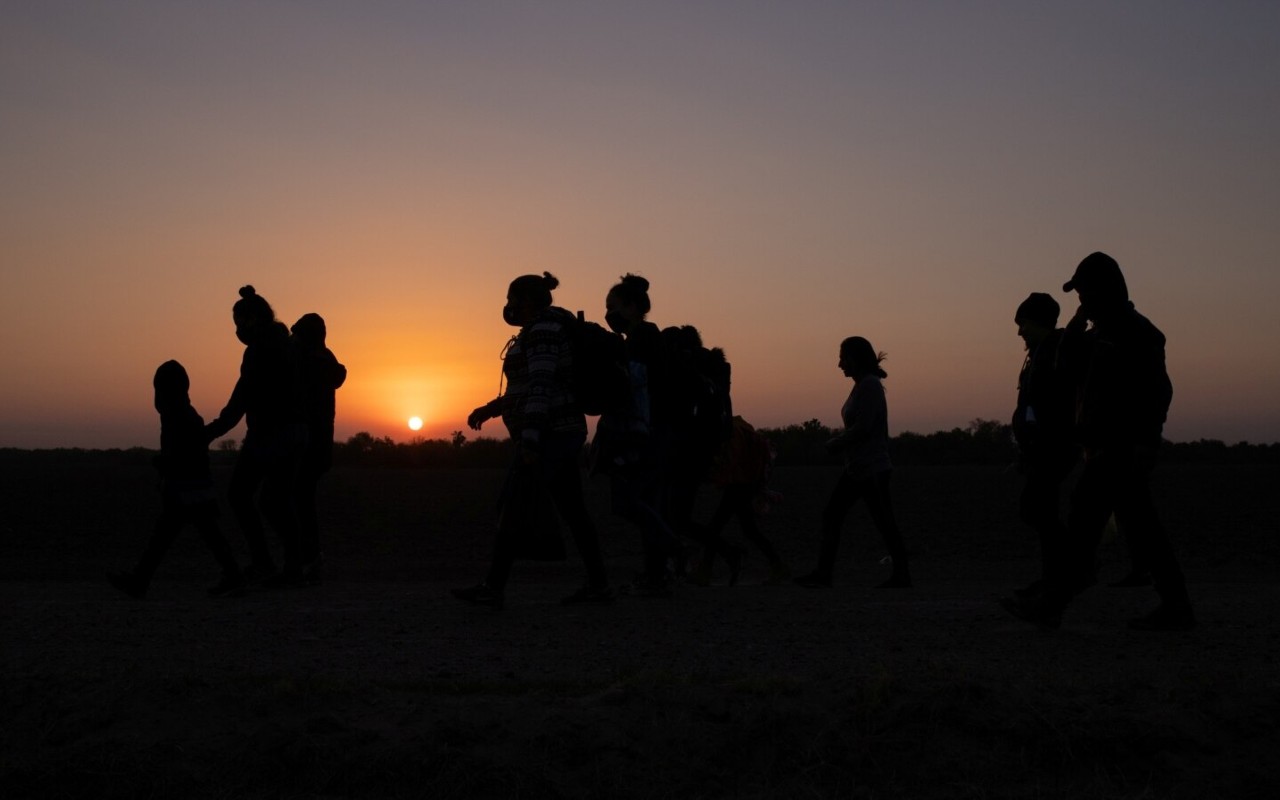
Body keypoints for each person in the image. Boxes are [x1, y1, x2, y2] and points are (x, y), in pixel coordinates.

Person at [1002, 252, 1195, 631]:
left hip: (1122, 447)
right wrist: (1076, 325)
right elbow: (1065, 364)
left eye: (1084, 292)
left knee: (1084, 521)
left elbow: (1158, 392)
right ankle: (1177, 605)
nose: (1081, 300)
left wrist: (1147, 441)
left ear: (1104, 290)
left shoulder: (1138, 333)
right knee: (1141, 527)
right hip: (1103, 446)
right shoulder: (1099, 334)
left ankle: (1052, 602)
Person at [453, 272, 610, 609]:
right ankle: (599, 584)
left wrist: (530, 438)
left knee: (516, 502)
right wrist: (493, 408)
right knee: (572, 509)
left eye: (511, 298)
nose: (507, 306)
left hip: (552, 433)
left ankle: (493, 587)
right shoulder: (542, 330)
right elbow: (529, 387)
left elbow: (541, 385)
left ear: (524, 301)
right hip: (561, 431)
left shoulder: (542, 332)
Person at [108, 361, 245, 599]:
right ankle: (232, 574)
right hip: (192, 486)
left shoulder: (180, 416)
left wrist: (164, 466)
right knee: (194, 532)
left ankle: (140, 580)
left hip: (187, 487)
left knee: (170, 534)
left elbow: (184, 452)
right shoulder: (183, 414)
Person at [205, 286, 305, 586]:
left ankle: (268, 563)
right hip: (295, 432)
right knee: (275, 501)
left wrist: (210, 432)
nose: (236, 330)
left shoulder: (260, 351)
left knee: (241, 494)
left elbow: (241, 399)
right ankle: (293, 564)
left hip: (271, 435)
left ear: (251, 320)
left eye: (238, 323)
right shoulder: (287, 345)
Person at [795, 336, 911, 588]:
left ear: (855, 359)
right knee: (836, 515)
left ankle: (901, 575)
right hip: (858, 468)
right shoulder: (863, 385)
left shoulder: (869, 386)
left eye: (843, 358)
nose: (840, 364)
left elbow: (865, 427)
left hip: (872, 468)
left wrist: (837, 443)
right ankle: (824, 574)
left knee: (881, 521)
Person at [593, 274, 683, 597]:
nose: (608, 314)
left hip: (648, 432)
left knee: (629, 500)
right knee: (646, 502)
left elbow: (633, 385)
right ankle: (657, 574)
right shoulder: (644, 337)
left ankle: (670, 548)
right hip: (658, 432)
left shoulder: (642, 338)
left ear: (631, 307)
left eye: (612, 308)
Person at [1009, 292, 1080, 599]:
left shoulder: (1055, 352)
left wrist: (1039, 443)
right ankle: (1054, 580)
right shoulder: (1039, 353)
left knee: (1037, 510)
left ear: (1039, 322)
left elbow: (1053, 405)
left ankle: (1072, 569)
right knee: (1040, 511)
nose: (1019, 331)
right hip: (1041, 449)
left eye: (1023, 323)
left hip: (1054, 447)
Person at [691, 415, 789, 586]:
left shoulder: (733, 432)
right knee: (749, 529)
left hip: (739, 484)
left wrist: (711, 477)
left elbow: (731, 462)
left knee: (715, 527)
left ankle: (705, 571)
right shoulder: (741, 427)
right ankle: (778, 565)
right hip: (746, 483)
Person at [290, 312, 347, 585]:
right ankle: (308, 560)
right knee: (302, 501)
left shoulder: (310, 364)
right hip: (319, 445)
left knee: (298, 501)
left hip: (309, 445)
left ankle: (308, 561)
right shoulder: (325, 361)